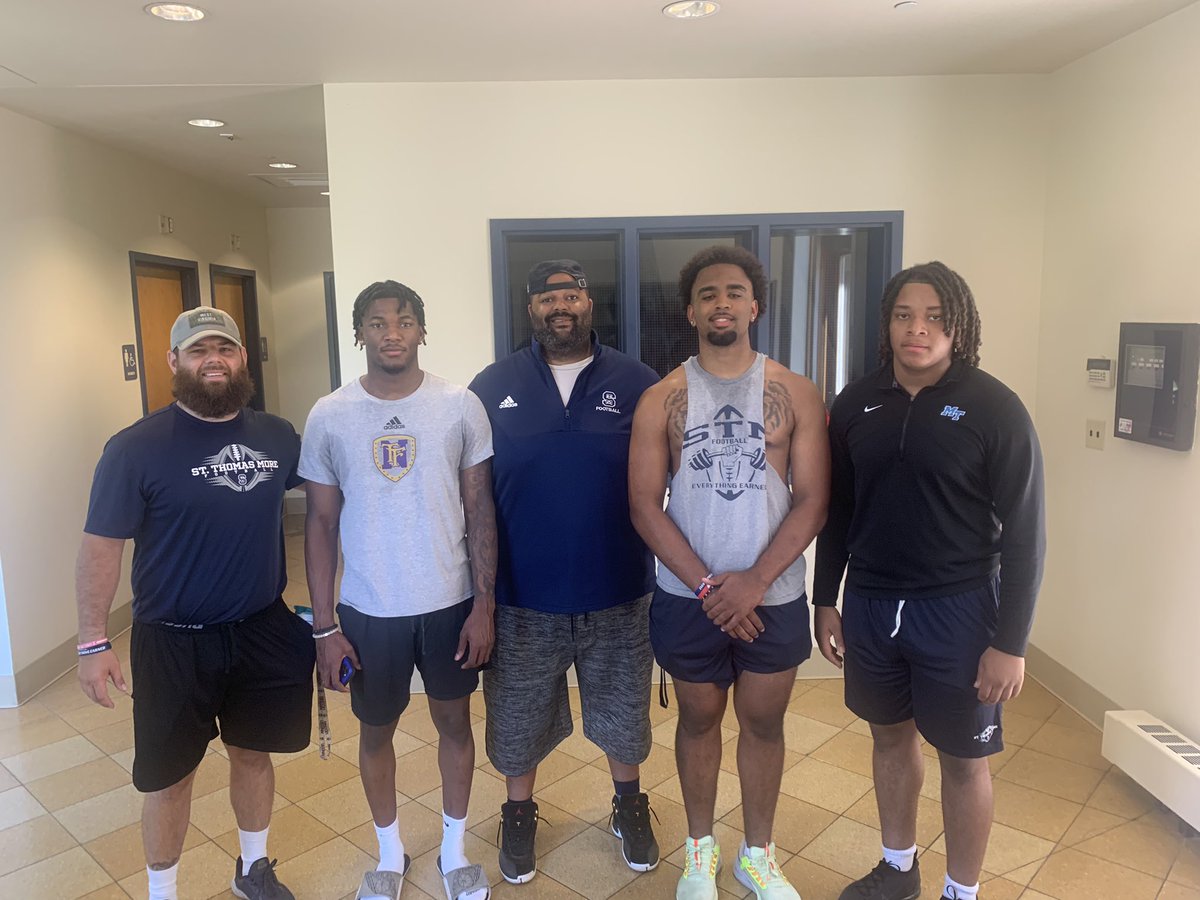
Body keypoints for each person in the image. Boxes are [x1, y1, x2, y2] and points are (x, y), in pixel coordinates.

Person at [812, 261, 1045, 900]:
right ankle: (898, 867)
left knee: (964, 760)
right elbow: (840, 511)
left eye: (935, 318)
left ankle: (960, 892)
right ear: (887, 323)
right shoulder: (856, 402)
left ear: (958, 327)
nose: (918, 329)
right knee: (890, 738)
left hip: (960, 610)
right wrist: (824, 599)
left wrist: (1011, 641)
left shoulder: (994, 408)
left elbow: (1027, 534)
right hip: (871, 606)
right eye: (904, 315)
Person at [76, 307, 312, 900]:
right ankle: (164, 892)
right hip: (172, 639)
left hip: (261, 627)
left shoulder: (278, 436)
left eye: (224, 349)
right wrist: (93, 641)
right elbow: (101, 548)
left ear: (242, 359)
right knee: (169, 777)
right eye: (199, 349)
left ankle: (252, 869)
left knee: (253, 754)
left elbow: (333, 500)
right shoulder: (135, 449)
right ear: (173, 361)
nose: (214, 359)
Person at [628, 245, 830, 900]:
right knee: (698, 722)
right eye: (709, 293)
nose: (722, 303)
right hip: (691, 598)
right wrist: (712, 586)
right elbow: (642, 506)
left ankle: (758, 855)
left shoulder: (795, 392)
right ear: (691, 309)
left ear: (755, 305)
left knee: (764, 725)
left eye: (735, 292)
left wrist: (752, 581)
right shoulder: (661, 398)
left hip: (771, 597)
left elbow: (814, 500)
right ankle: (699, 854)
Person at [301, 280, 496, 900]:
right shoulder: (329, 414)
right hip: (369, 609)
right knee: (376, 730)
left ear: (421, 331)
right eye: (378, 322)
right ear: (358, 332)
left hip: (448, 603)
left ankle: (454, 852)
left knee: (454, 725)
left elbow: (478, 508)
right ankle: (389, 854)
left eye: (405, 321)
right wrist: (325, 626)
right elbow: (321, 523)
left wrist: (484, 604)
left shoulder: (460, 405)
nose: (392, 332)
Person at [468, 259, 661, 884]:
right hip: (522, 596)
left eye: (572, 294)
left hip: (619, 591)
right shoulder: (491, 384)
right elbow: (472, 496)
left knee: (626, 720)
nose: (561, 306)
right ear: (530, 309)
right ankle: (519, 813)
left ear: (589, 303)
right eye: (548, 296)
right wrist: (481, 597)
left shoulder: (638, 382)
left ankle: (629, 805)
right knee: (517, 722)